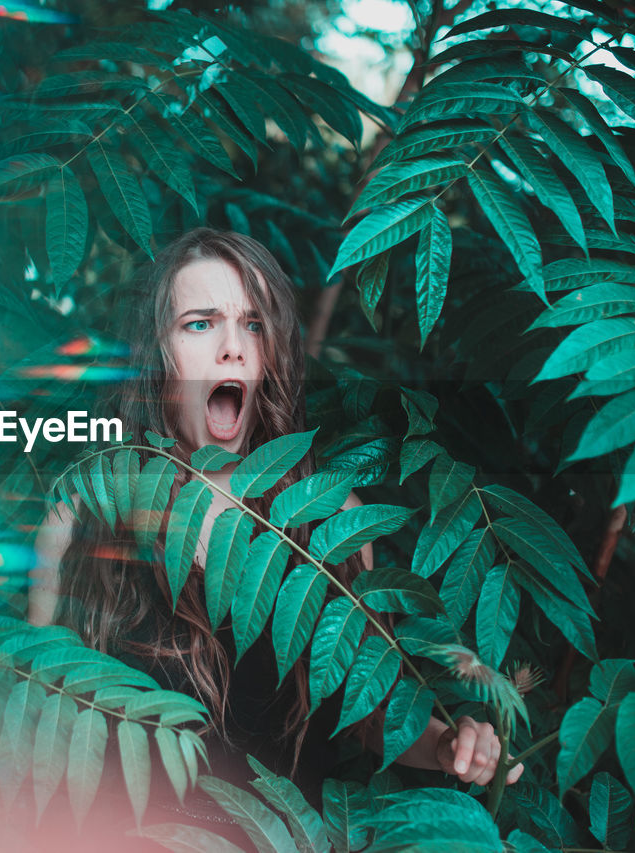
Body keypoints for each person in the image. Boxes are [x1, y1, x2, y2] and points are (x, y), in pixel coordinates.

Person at [28, 228, 521, 847]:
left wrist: (448, 744)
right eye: (200, 324)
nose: (233, 349)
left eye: (254, 325)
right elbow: (37, 724)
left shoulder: (331, 515)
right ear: (157, 354)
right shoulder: (81, 513)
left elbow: (366, 712)